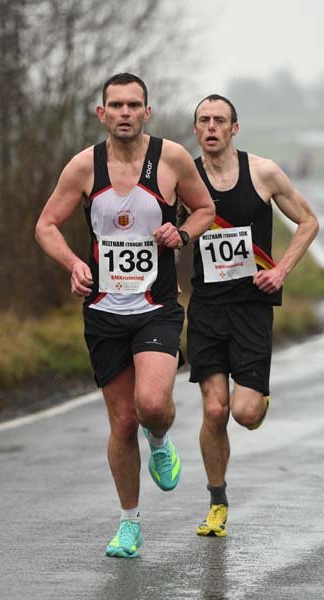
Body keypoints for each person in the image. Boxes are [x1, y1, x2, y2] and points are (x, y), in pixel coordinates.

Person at [35, 73, 215, 557]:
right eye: (116, 105)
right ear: (102, 113)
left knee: (151, 405)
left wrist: (182, 233)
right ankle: (129, 523)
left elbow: (205, 208)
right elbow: (46, 225)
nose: (125, 113)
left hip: (156, 307)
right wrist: (74, 263)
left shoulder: (172, 159)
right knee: (121, 422)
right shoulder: (84, 166)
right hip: (103, 310)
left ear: (147, 112)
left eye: (134, 105)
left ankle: (160, 438)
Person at [186, 94, 319, 537]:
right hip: (207, 308)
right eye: (204, 120)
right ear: (195, 129)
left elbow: (309, 222)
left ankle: (257, 401)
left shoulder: (263, 172)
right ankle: (217, 502)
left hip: (252, 308)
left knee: (243, 412)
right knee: (214, 410)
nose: (211, 127)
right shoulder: (185, 177)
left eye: (219, 120)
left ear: (234, 129)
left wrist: (280, 271)